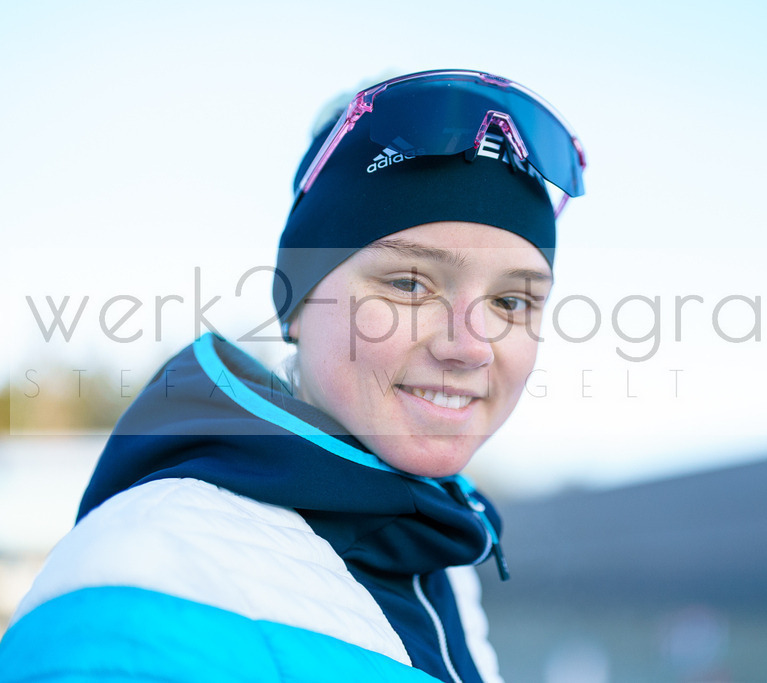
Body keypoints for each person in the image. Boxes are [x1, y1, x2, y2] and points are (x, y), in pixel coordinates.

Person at [0, 70, 586, 682]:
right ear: (298, 300)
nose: (471, 347)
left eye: (511, 303)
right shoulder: (150, 571)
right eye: (410, 284)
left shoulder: (444, 570)